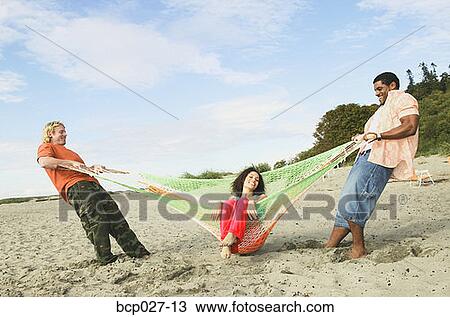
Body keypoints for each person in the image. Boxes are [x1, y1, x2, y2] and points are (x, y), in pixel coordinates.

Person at [325, 72, 419, 258]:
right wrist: (362, 137)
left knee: (354, 199)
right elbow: (372, 133)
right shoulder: (380, 111)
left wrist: (379, 135)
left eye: (379, 89)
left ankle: (358, 248)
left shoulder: (402, 98)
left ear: (392, 85)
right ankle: (331, 244)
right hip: (366, 155)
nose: (377, 93)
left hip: (380, 157)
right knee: (347, 199)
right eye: (375, 90)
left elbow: (410, 126)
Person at [37, 121, 150, 265]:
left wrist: (93, 167)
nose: (65, 134)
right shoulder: (46, 147)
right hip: (76, 187)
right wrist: (71, 163)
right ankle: (105, 258)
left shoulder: (72, 152)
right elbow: (44, 162)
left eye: (65, 131)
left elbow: (81, 168)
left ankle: (138, 252)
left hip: (93, 184)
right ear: (50, 134)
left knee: (116, 218)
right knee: (97, 220)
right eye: (61, 132)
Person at [219, 167, 267, 259]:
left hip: (253, 237)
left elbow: (258, 217)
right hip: (236, 245)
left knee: (242, 201)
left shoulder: (261, 197)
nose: (253, 180)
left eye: (257, 180)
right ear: (243, 179)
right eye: (251, 177)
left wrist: (250, 201)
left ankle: (231, 237)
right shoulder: (233, 199)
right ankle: (227, 244)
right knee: (227, 203)